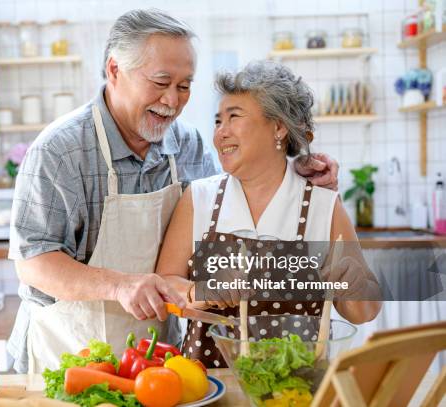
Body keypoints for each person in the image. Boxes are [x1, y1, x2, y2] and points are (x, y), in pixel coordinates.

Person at [7, 9, 341, 374]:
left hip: (154, 361)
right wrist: (120, 287)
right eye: (161, 82)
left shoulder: (186, 146)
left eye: (184, 86)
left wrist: (294, 168)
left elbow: (233, 201)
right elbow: (34, 263)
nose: (172, 101)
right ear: (115, 71)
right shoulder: (60, 152)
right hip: (68, 356)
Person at [156, 60, 382, 367]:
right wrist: (203, 289)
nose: (221, 132)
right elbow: (165, 282)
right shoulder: (199, 198)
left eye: (234, 118)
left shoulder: (322, 207)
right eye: (218, 121)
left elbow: (364, 311)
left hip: (295, 391)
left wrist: (353, 283)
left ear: (278, 127)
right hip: (208, 386)